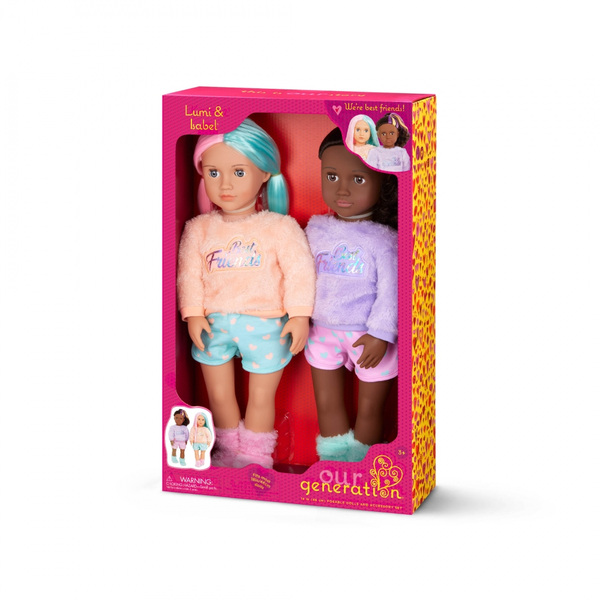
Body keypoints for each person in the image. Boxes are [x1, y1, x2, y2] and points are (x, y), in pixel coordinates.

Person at [177, 119, 315, 469]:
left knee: (261, 398)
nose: (225, 184)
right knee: (219, 395)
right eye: (213, 172)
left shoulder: (279, 227)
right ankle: (226, 454)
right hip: (212, 325)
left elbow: (300, 272)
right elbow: (189, 275)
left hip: (266, 324)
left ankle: (255, 458)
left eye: (239, 172)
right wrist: (192, 312)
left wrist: (299, 314)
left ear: (265, 172)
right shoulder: (199, 228)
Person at [305, 128, 398, 462]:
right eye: (331, 176)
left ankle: (363, 468)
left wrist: (381, 333)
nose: (342, 189)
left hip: (368, 335)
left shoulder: (383, 239)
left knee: (370, 408)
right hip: (322, 331)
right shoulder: (315, 230)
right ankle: (334, 465)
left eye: (358, 179)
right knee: (327, 403)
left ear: (382, 182)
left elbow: (391, 291)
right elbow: (301, 278)